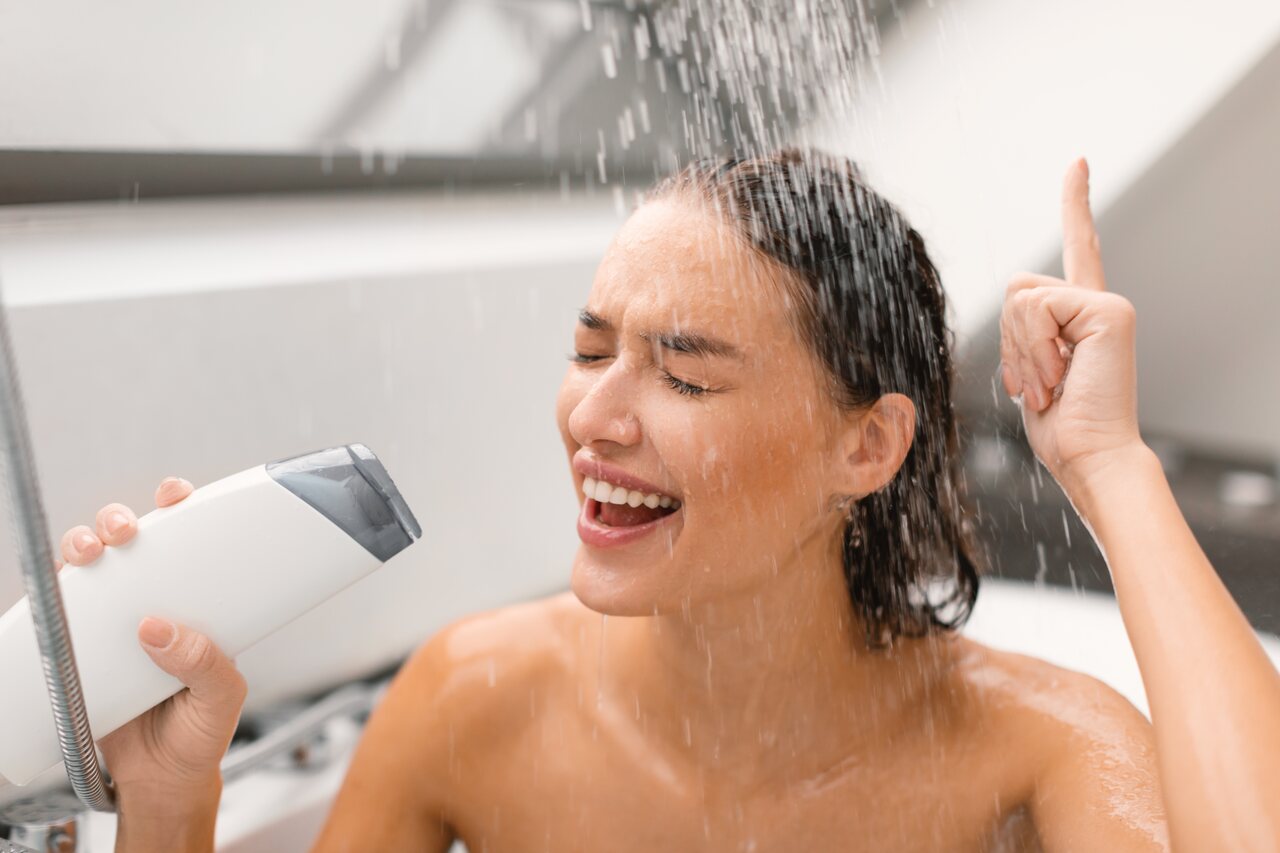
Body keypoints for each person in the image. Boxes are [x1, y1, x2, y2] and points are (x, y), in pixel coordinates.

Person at [60, 151, 1280, 852]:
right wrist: (170, 804)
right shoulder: (474, 701)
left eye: (684, 372)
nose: (594, 417)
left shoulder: (1031, 752)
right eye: (592, 352)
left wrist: (1109, 469)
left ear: (866, 445)